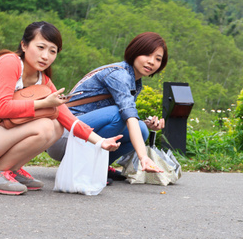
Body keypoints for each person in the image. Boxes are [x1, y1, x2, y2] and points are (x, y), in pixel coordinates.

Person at [0, 21, 122, 195]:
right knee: (45, 126)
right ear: (24, 45)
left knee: (57, 126)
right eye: (40, 47)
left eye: (52, 51)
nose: (45, 56)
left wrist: (101, 142)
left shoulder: (42, 79)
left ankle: (11, 169)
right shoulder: (10, 63)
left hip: (0, 133)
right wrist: (43, 104)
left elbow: (68, 119)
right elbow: (2, 108)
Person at [46, 31, 167, 182]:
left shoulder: (135, 82)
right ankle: (86, 169)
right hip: (61, 136)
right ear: (135, 52)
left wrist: (146, 123)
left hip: (80, 133)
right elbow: (124, 115)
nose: (151, 62)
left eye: (158, 59)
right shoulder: (119, 75)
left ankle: (99, 166)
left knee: (142, 129)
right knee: (119, 114)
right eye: (147, 55)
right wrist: (143, 157)